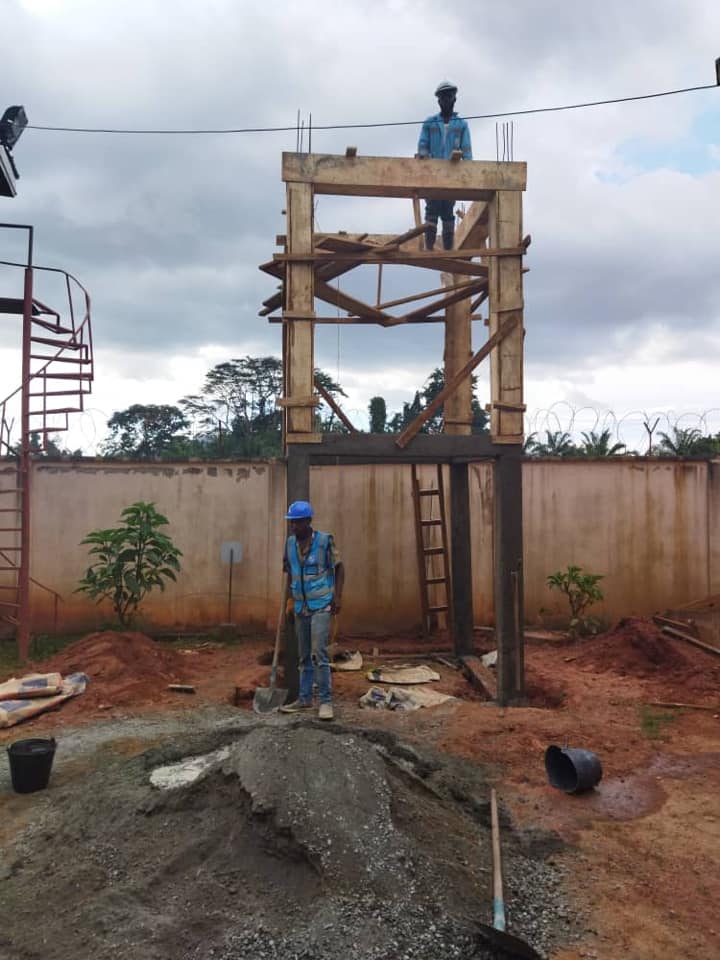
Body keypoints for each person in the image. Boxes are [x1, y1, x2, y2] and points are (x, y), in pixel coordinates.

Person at [279, 500, 344, 720]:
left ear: (308, 521)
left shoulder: (324, 541)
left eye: (297, 522)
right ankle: (305, 699)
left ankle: (325, 701)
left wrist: (337, 596)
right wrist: (289, 601)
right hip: (300, 608)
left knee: (319, 653)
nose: (294, 526)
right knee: (304, 656)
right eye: (291, 522)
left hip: (322, 605)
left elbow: (339, 568)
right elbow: (290, 572)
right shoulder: (289, 544)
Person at [417, 80, 473, 251]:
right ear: (439, 101)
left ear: (454, 99)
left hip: (452, 175)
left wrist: (470, 173)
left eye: (449, 96)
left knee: (448, 211)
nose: (446, 100)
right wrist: (423, 161)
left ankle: (448, 250)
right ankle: (429, 248)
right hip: (432, 175)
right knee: (432, 210)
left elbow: (466, 151)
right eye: (443, 97)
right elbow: (423, 146)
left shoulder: (461, 125)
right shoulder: (430, 123)